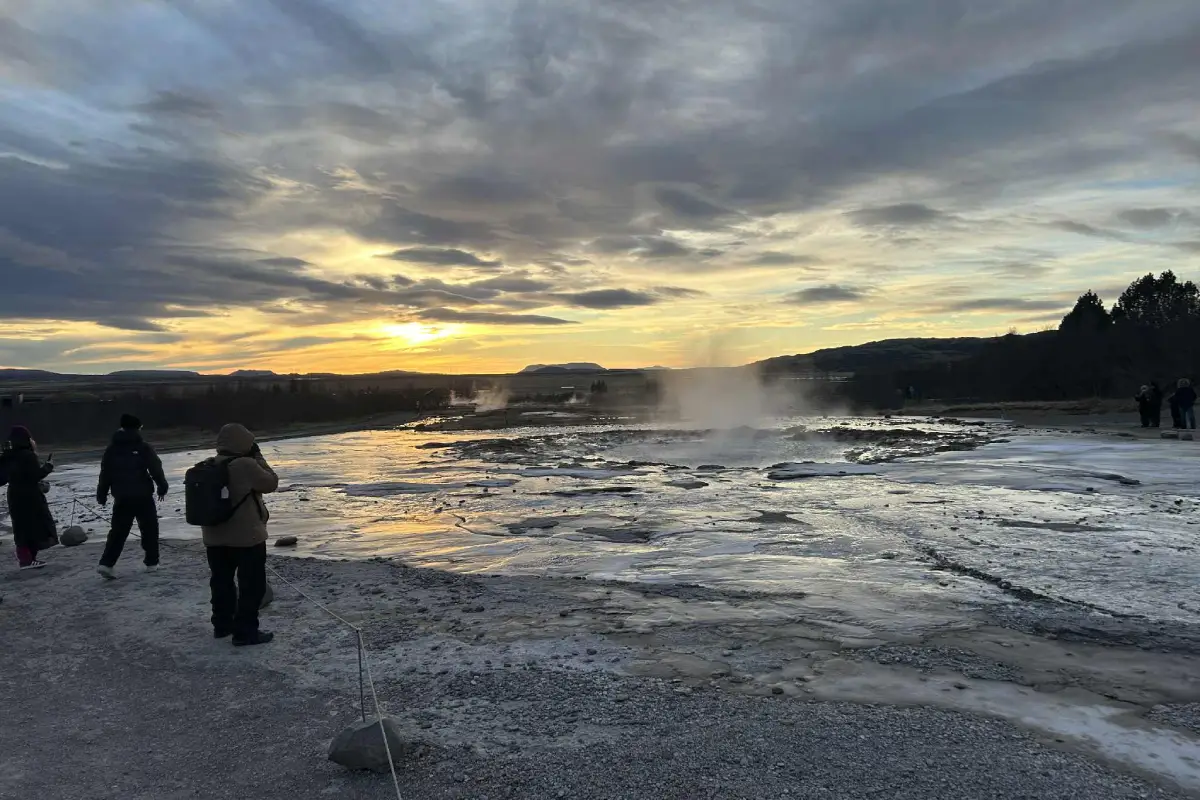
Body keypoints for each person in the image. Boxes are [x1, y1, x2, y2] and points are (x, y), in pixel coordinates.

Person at [202, 424, 279, 646]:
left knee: (221, 582)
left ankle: (222, 625)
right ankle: (245, 632)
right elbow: (271, 482)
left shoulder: (210, 464)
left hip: (214, 538)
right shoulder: (245, 465)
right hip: (247, 538)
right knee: (251, 586)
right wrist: (259, 458)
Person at [96, 414, 169, 579]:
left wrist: (102, 494)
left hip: (122, 497)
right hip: (143, 494)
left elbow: (105, 473)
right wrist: (162, 486)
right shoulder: (143, 447)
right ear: (137, 428)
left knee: (118, 531)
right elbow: (155, 467)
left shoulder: (111, 449)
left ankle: (106, 564)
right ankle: (152, 562)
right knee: (149, 528)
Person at [1, 427, 57, 570]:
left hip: (14, 495)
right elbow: (34, 476)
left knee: (21, 527)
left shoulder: (8, 455)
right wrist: (48, 467)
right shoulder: (28, 456)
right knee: (36, 525)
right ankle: (29, 559)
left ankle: (26, 559)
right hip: (30, 496)